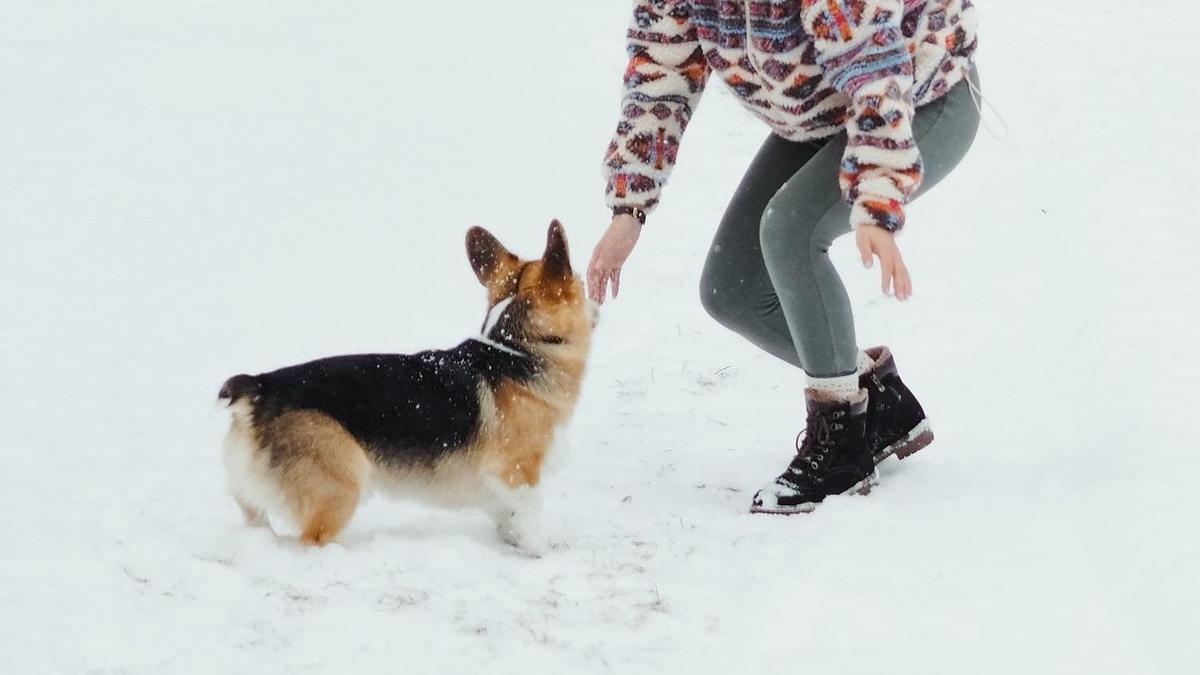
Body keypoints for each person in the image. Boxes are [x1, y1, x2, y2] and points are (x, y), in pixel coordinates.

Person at [587, 0, 980, 513]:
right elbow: (660, 73)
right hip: (822, 112)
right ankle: (876, 402)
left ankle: (843, 443)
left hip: (921, 98)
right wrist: (629, 207)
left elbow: (873, 67)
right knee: (732, 290)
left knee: (789, 230)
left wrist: (877, 197)